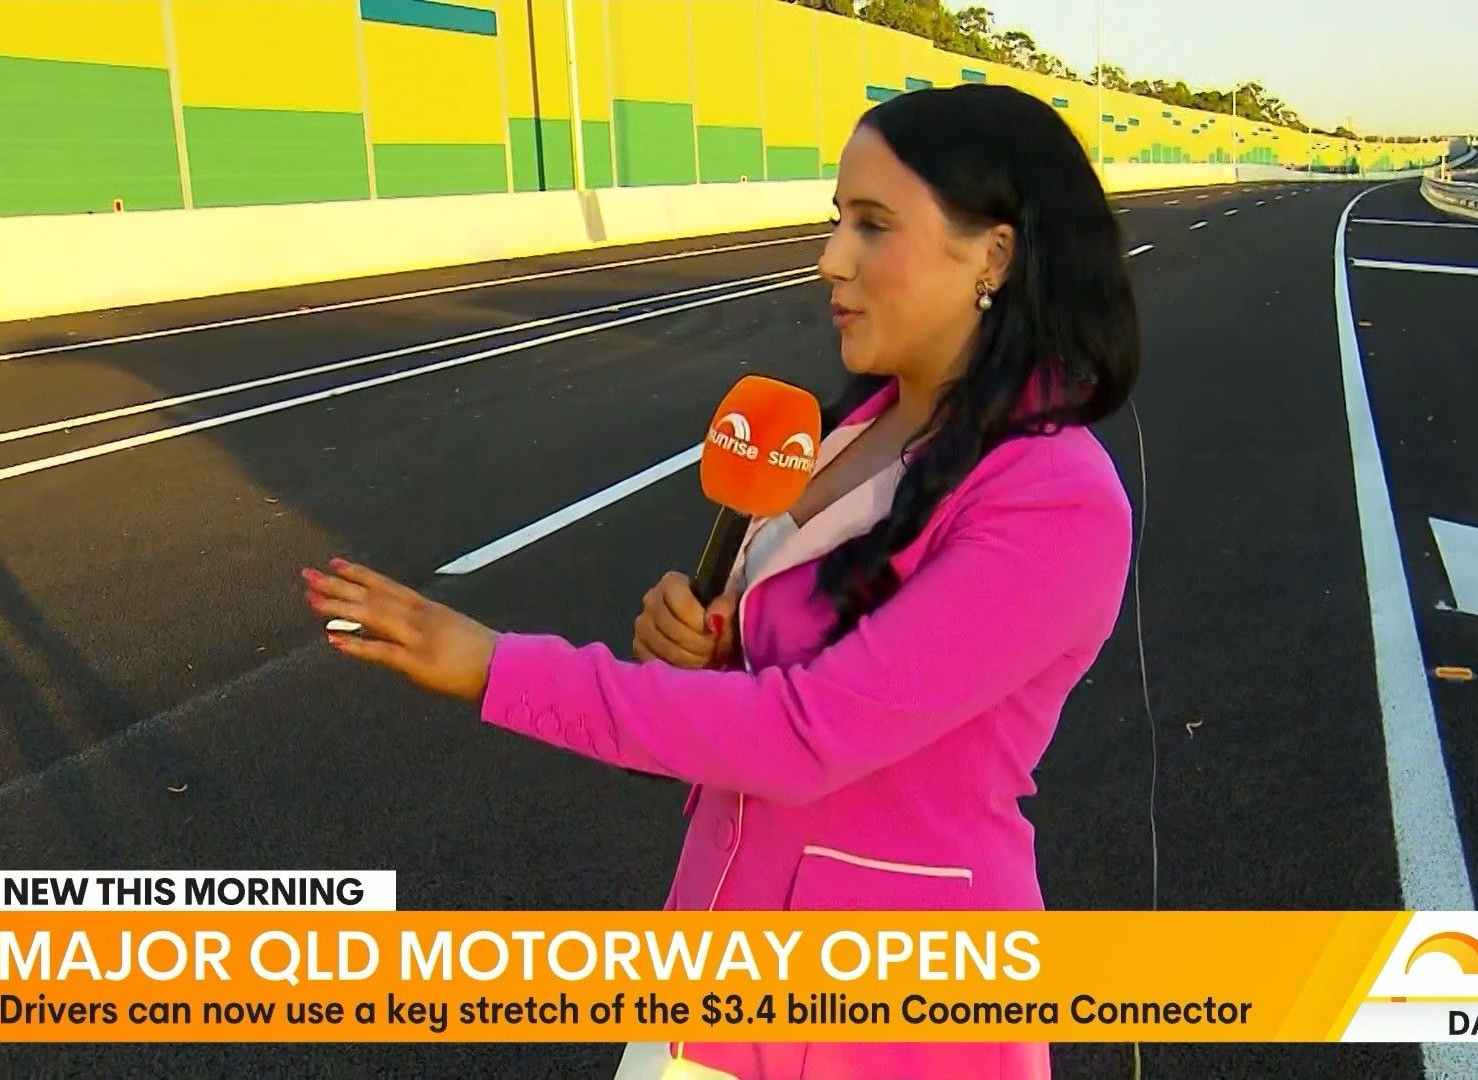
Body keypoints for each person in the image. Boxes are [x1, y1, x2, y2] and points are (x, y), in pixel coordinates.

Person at [301, 82, 1140, 1080]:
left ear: (993, 256)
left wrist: (496, 667)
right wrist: (715, 650)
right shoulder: (849, 430)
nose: (831, 259)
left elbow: (808, 734)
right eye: (836, 219)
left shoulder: (1054, 499)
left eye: (874, 225)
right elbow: (779, 684)